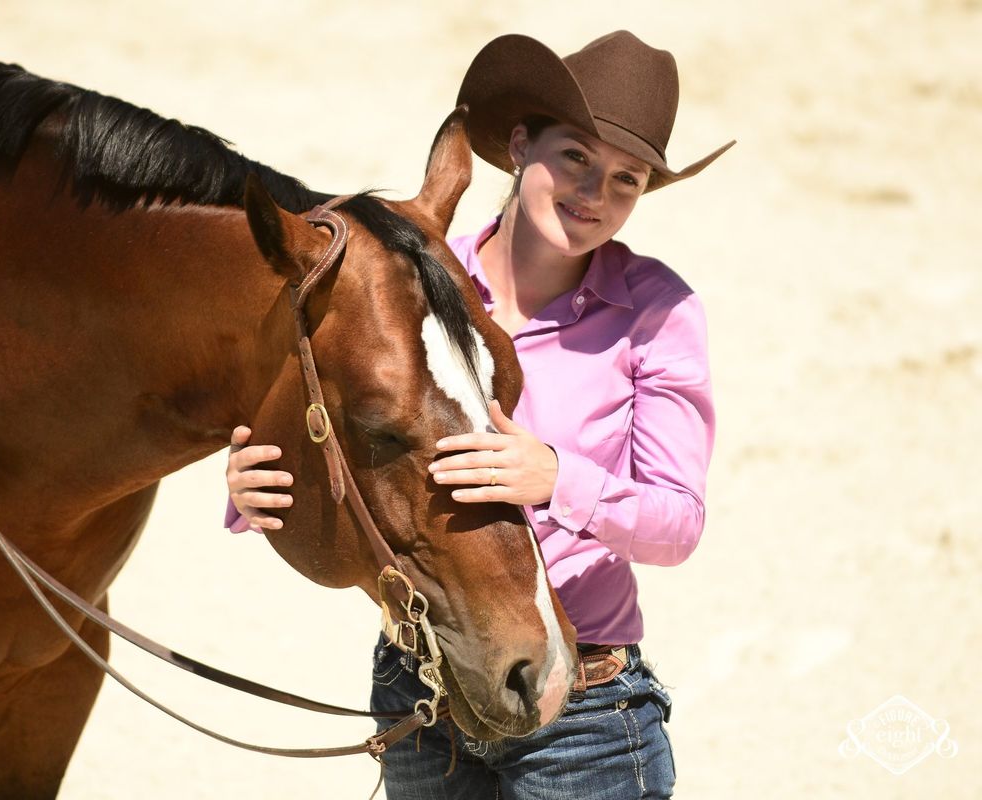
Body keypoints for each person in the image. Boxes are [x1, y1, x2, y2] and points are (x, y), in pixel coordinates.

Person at [224, 30, 732, 799]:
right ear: (521, 145)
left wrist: (557, 478)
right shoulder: (409, 278)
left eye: (625, 181)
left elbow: (677, 525)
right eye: (576, 159)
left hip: (586, 712)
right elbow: (348, 427)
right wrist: (250, 491)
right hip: (422, 690)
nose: (595, 195)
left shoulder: (657, 311)